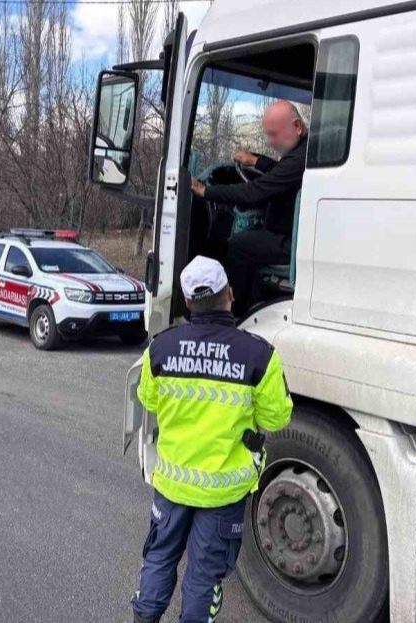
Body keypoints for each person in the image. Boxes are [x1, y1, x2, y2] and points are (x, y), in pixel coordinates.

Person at [131, 256, 293, 623]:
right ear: (230, 295)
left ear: (187, 303)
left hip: (171, 484)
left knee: (159, 557)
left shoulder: (159, 348)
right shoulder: (259, 356)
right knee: (204, 576)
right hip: (223, 492)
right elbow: (276, 417)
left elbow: (148, 399)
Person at [190, 100, 308, 314]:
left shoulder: (300, 158)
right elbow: (281, 172)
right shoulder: (305, 152)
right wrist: (256, 161)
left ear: (297, 126)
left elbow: (253, 192)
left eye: (274, 134)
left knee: (239, 244)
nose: (270, 142)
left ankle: (236, 310)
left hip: (289, 244)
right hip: (293, 236)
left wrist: (206, 192)